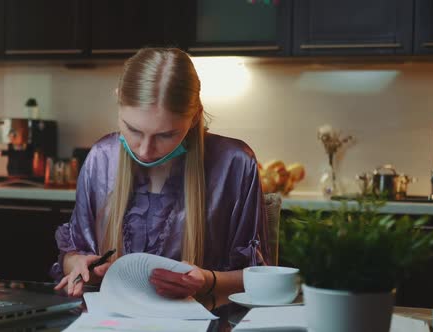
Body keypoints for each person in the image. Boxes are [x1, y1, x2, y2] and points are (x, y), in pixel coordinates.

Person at [51, 48, 269, 308]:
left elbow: (262, 278)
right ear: (118, 100)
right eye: (132, 129)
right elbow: (73, 252)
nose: (144, 150)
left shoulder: (235, 164)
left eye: (165, 135)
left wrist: (208, 280)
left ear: (195, 116)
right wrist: (74, 263)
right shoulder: (101, 158)